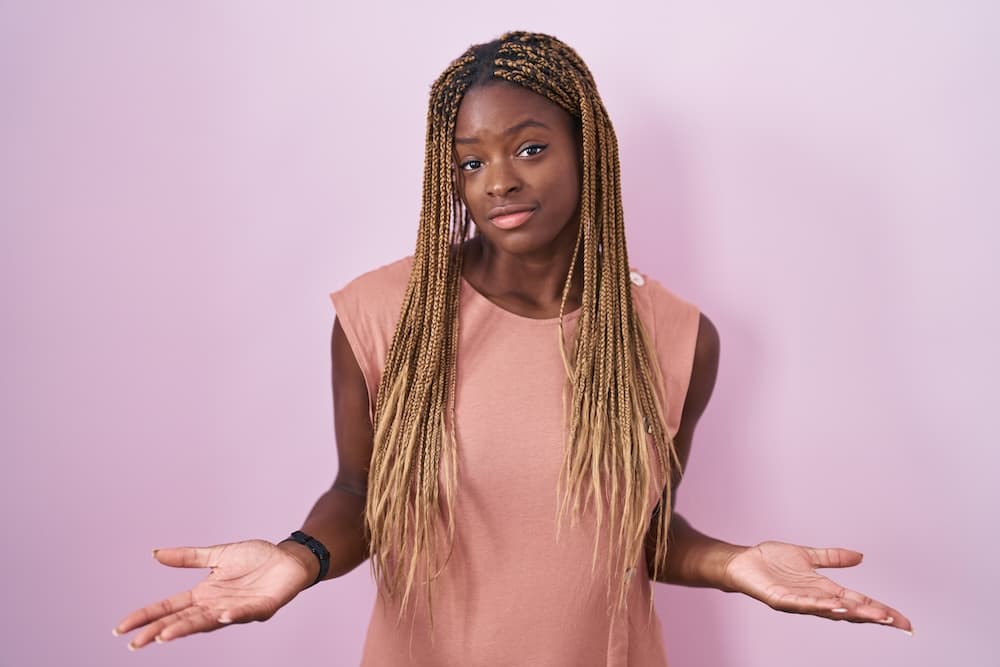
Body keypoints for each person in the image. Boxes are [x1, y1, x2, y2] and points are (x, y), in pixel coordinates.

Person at [112, 31, 912, 665]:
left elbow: (641, 527)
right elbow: (361, 491)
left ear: (586, 147)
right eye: (471, 160)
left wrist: (734, 564)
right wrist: (298, 557)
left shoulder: (676, 336)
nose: (498, 179)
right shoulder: (384, 314)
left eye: (530, 147)